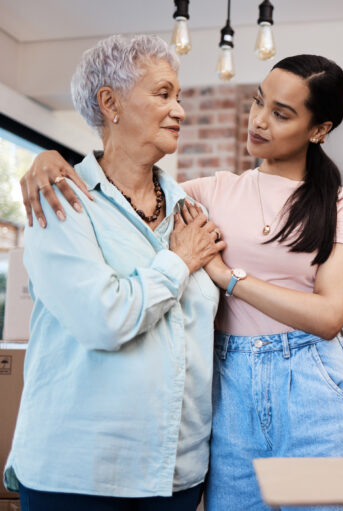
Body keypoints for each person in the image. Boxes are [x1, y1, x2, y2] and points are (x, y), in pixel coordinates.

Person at [19, 54, 343, 510]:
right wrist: (49, 159)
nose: (259, 121)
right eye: (258, 102)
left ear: (319, 129)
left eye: (281, 114)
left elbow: (329, 316)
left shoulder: (342, 204)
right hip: (229, 388)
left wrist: (230, 280)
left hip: (313, 384)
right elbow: (124, 181)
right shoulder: (207, 194)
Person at [4, 35, 226, 511]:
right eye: (163, 94)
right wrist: (179, 262)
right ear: (111, 103)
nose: (180, 111)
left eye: (180, 97)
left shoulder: (192, 210)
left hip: (176, 471)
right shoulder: (62, 199)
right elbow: (103, 318)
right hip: (81, 471)